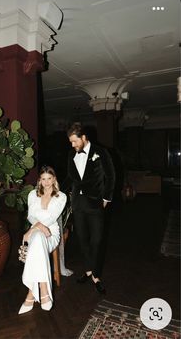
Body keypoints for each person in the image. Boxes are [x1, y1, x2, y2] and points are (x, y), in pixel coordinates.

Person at [65, 123, 115, 294]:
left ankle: (96, 275)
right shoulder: (72, 154)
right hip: (78, 203)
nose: (72, 145)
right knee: (82, 239)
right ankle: (88, 270)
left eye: (74, 141)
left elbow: (111, 176)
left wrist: (107, 197)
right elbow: (70, 178)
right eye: (70, 142)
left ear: (84, 137)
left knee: (97, 240)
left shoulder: (100, 153)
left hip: (95, 203)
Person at [18, 166, 67, 314]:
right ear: (39, 180)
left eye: (49, 179)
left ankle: (31, 294)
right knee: (38, 238)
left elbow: (50, 218)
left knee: (38, 238)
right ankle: (44, 289)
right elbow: (31, 216)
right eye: (43, 179)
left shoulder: (61, 196)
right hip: (36, 231)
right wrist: (36, 227)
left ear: (54, 179)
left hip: (51, 232)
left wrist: (32, 229)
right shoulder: (33, 194)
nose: (46, 182)